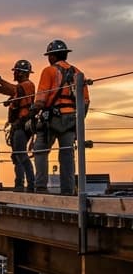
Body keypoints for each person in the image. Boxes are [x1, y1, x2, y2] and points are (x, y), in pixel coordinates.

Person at [31, 40, 90, 195]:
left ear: (52, 56)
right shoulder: (78, 73)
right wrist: (78, 122)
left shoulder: (49, 71)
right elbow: (85, 101)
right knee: (67, 154)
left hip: (51, 119)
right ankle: (68, 190)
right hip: (71, 119)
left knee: (40, 151)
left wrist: (32, 113)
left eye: (49, 56)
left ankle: (41, 188)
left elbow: (41, 98)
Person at [0, 60, 36, 191]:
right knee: (17, 155)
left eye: (16, 72)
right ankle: (19, 184)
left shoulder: (27, 85)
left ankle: (30, 184)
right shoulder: (20, 88)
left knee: (21, 154)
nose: (14, 74)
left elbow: (11, 89)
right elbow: (3, 90)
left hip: (22, 125)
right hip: (17, 125)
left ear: (21, 73)